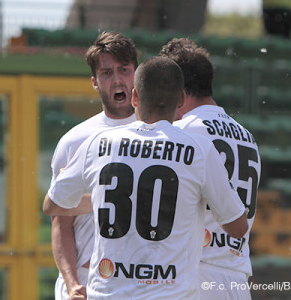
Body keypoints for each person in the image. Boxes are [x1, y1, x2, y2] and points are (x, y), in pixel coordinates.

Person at [43, 56, 248, 299]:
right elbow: (238, 227)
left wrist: (101, 195)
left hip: (107, 293)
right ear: (181, 99)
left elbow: (52, 205)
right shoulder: (200, 150)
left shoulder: (97, 144)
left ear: (135, 97)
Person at [159, 38, 261, 300]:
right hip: (237, 278)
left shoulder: (180, 134)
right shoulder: (247, 136)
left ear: (176, 90)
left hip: (194, 276)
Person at [50, 31, 138, 300]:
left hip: (140, 283)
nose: (117, 80)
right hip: (85, 285)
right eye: (107, 73)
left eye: (123, 70)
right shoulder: (75, 141)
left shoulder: (161, 135)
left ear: (137, 73)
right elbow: (60, 221)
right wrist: (72, 283)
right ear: (94, 82)